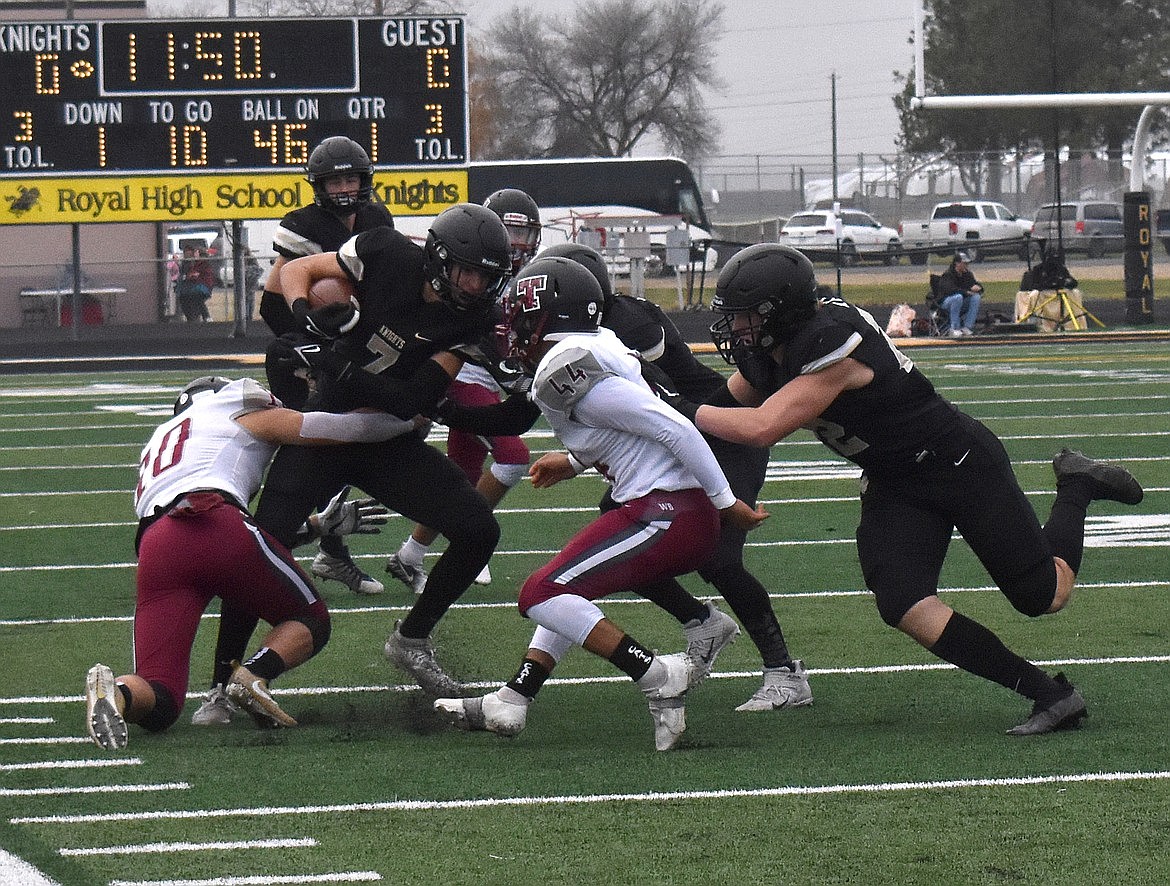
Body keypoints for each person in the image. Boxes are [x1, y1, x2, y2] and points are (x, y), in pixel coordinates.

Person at [659, 243, 1144, 736]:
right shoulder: (774, 350)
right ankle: (1050, 694)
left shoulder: (831, 345)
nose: (736, 329)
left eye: (745, 317)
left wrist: (675, 409)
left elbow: (762, 426)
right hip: (895, 480)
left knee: (1043, 596)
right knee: (903, 601)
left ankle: (1078, 486)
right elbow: (721, 410)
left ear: (779, 312)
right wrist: (647, 426)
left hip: (957, 462)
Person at [431, 256, 768, 750]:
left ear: (546, 315)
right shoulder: (596, 346)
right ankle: (514, 699)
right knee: (565, 588)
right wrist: (573, 460)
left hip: (666, 513)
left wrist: (726, 502)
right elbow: (619, 428)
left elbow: (671, 426)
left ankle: (655, 674)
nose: (514, 330)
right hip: (661, 509)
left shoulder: (565, 366)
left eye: (523, 317)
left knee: (539, 594)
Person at [243, 202, 512, 700]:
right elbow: (300, 271)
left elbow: (412, 399)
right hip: (326, 427)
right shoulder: (386, 251)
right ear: (437, 258)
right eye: (467, 272)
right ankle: (226, 678)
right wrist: (308, 322)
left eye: (485, 277)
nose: (475, 287)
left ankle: (411, 640)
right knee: (259, 544)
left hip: (389, 437)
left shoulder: (474, 322)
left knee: (478, 530)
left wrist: (341, 367)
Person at [535, 241, 813, 711]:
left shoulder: (621, 327)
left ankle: (784, 671)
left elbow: (649, 411)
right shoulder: (590, 336)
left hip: (716, 434)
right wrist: (579, 459)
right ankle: (700, 621)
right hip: (678, 436)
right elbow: (630, 417)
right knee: (619, 537)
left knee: (719, 559)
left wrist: (725, 500)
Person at [84, 375, 416, 750]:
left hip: (158, 545)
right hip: (215, 520)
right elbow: (345, 429)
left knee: (162, 700)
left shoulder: (163, 440)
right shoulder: (233, 415)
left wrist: (317, 526)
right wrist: (411, 419)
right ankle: (254, 675)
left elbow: (234, 540)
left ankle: (118, 694)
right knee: (310, 620)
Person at [385, 188, 542, 593]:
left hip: (490, 377)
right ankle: (467, 541)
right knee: (512, 460)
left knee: (462, 476)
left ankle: (408, 557)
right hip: (467, 373)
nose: (517, 242)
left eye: (524, 234)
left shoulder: (521, 276)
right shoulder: (470, 274)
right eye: (510, 231)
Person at [261, 135, 396, 597]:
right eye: (334, 179)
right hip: (302, 350)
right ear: (319, 185)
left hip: (351, 348)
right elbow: (272, 308)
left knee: (354, 443)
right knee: (314, 450)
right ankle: (310, 548)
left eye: (350, 177)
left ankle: (323, 548)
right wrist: (313, 339)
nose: (343, 188)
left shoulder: (377, 218)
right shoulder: (301, 227)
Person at [936, 251, 983, 337]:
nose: (966, 266)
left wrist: (978, 288)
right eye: (964, 263)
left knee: (976, 297)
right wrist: (966, 292)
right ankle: (954, 327)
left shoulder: (967, 274)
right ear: (957, 263)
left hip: (961, 301)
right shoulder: (948, 275)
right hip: (946, 302)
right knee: (958, 297)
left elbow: (976, 284)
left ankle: (967, 327)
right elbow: (950, 290)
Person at [176, 243, 216, 322]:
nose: (194, 255)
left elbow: (203, 275)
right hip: (193, 286)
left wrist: (194, 275)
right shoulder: (192, 263)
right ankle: (192, 318)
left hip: (203, 285)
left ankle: (206, 316)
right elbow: (187, 274)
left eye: (196, 253)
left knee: (196, 297)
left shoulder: (204, 263)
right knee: (184, 297)